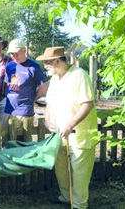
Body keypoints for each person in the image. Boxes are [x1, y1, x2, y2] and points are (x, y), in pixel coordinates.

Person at [36, 46, 98, 209]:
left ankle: (79, 205)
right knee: (61, 170)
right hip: (59, 135)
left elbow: (87, 104)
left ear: (58, 61)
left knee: (79, 173)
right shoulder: (55, 79)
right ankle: (66, 197)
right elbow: (49, 104)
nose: (45, 65)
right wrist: (48, 122)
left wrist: (70, 125)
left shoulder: (79, 75)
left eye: (47, 62)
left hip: (79, 134)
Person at [3, 38, 47, 127]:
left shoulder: (33, 67)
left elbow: (43, 87)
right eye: (12, 54)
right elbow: (6, 85)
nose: (14, 56)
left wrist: (32, 99)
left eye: (16, 53)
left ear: (24, 50)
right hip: (8, 110)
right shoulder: (9, 66)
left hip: (24, 112)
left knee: (22, 139)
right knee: (6, 138)